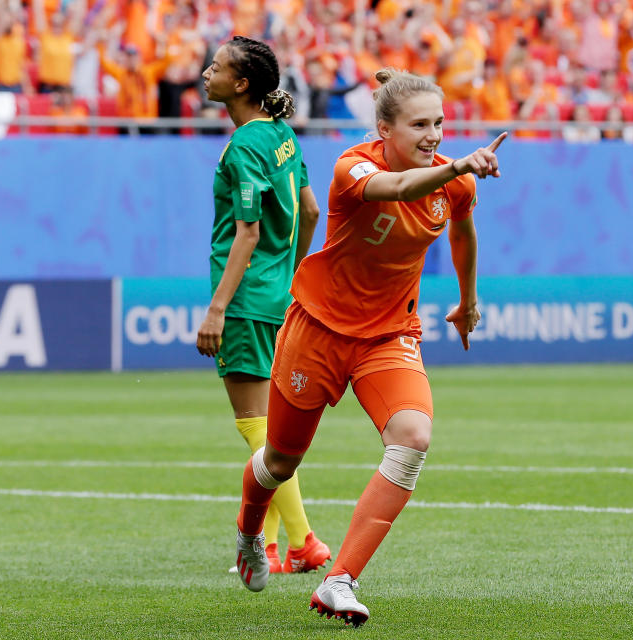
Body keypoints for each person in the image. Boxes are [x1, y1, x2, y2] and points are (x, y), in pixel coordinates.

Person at [231, 67, 506, 627]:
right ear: (384, 129)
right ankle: (249, 532)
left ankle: (339, 581)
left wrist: (468, 299)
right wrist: (457, 165)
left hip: (388, 335)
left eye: (440, 124)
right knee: (281, 461)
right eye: (419, 125)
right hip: (318, 330)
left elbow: (462, 231)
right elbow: (399, 188)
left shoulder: (454, 182)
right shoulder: (354, 167)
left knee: (412, 438)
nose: (433, 136)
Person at [196, 36, 331, 578]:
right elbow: (311, 210)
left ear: (242, 84)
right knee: (273, 428)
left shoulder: (244, 146)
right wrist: (295, 278)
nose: (206, 72)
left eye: (217, 67)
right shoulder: (282, 137)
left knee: (257, 430)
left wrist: (217, 309)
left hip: (247, 301)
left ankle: (303, 542)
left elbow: (246, 232)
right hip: (278, 297)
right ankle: (272, 550)